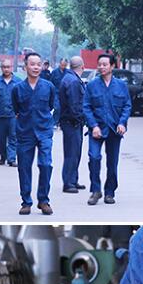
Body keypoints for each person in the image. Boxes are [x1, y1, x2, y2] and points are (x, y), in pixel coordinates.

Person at [11, 52, 59, 215]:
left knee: (46, 164)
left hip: (44, 131)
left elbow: (52, 105)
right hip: (25, 132)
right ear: (25, 67)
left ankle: (43, 200)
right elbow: (16, 109)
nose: (36, 67)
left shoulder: (48, 86)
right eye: (32, 64)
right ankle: (26, 202)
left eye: (38, 64)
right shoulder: (17, 89)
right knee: (24, 167)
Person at [82, 54, 131, 205]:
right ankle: (95, 190)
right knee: (94, 157)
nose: (101, 67)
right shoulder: (92, 85)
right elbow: (86, 107)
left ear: (112, 66)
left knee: (112, 163)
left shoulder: (121, 86)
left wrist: (122, 123)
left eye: (105, 64)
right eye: (100, 64)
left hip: (114, 130)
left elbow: (127, 105)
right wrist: (94, 125)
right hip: (97, 129)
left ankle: (110, 192)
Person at [59, 56, 88, 194]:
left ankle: (73, 179)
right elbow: (75, 105)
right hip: (72, 122)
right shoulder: (73, 81)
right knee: (72, 153)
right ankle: (68, 182)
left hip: (70, 121)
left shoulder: (69, 78)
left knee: (74, 152)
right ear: (82, 66)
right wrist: (81, 119)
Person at [0, 59, 20, 167]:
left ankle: (11, 159)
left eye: (8, 67)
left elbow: (22, 98)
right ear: (1, 68)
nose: (6, 69)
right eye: (4, 67)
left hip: (13, 116)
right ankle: (3, 155)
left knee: (13, 137)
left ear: (12, 67)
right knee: (0, 140)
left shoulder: (18, 82)